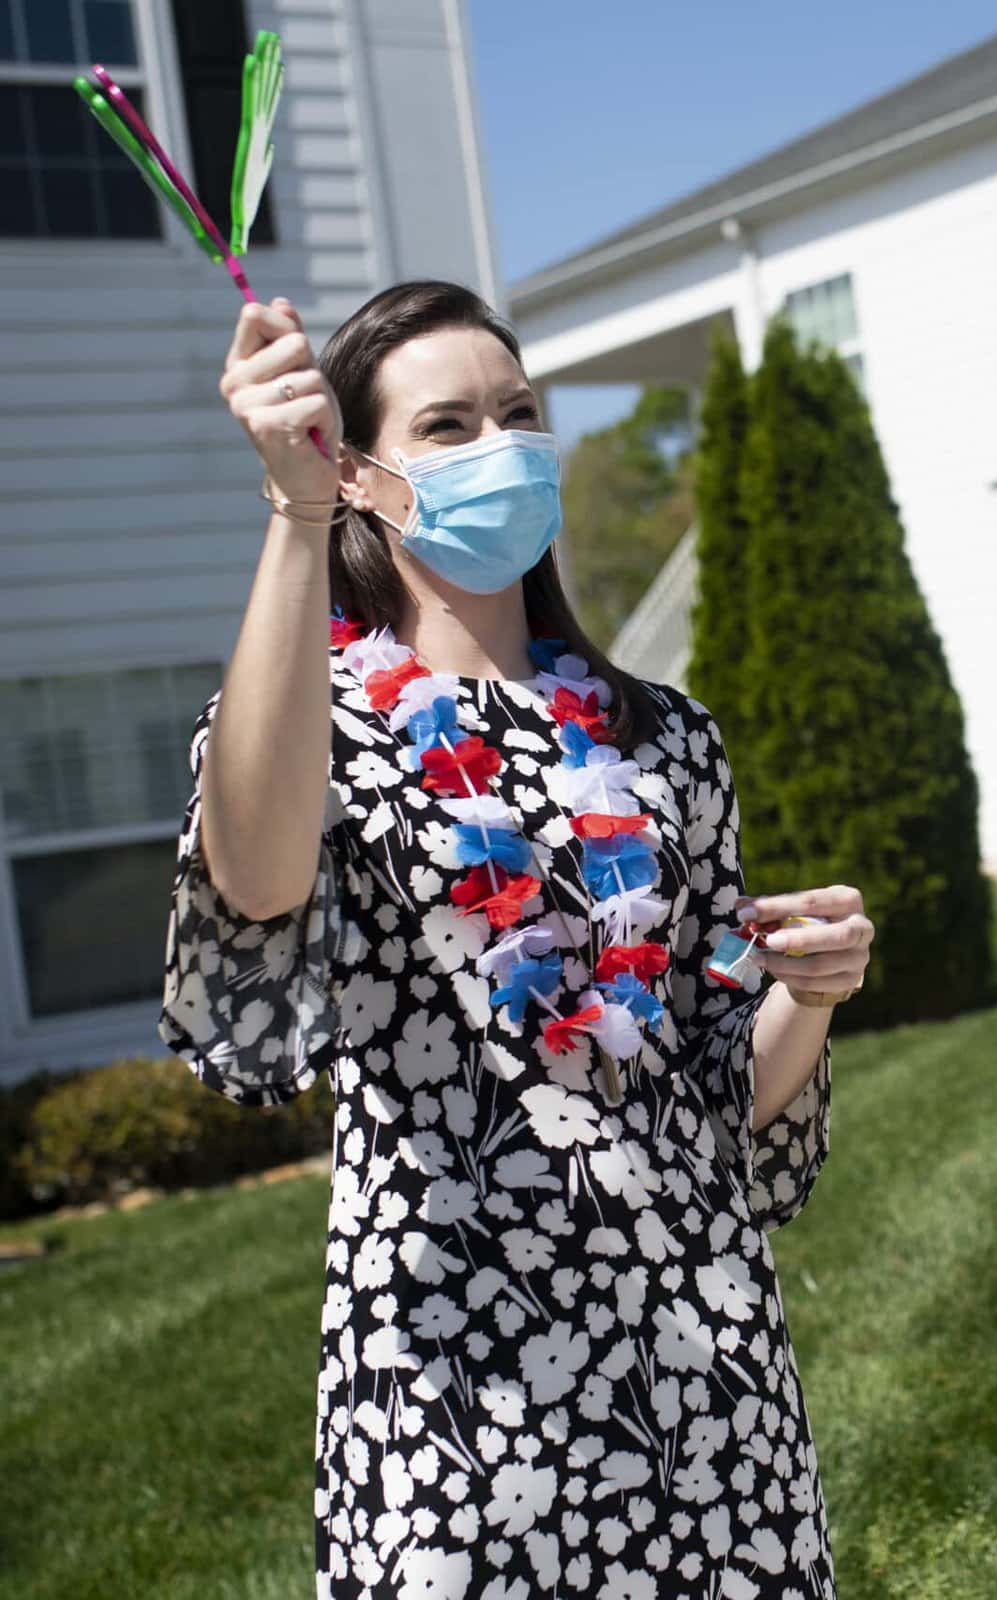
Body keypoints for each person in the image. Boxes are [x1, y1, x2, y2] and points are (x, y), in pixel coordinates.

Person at [165, 281, 876, 1596]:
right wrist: (291, 516)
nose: (503, 446)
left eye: (520, 412)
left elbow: (721, 1077)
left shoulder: (664, 737)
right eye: (449, 425)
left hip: (700, 1359)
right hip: (455, 1367)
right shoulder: (326, 719)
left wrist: (810, 992)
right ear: (361, 471)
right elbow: (256, 890)